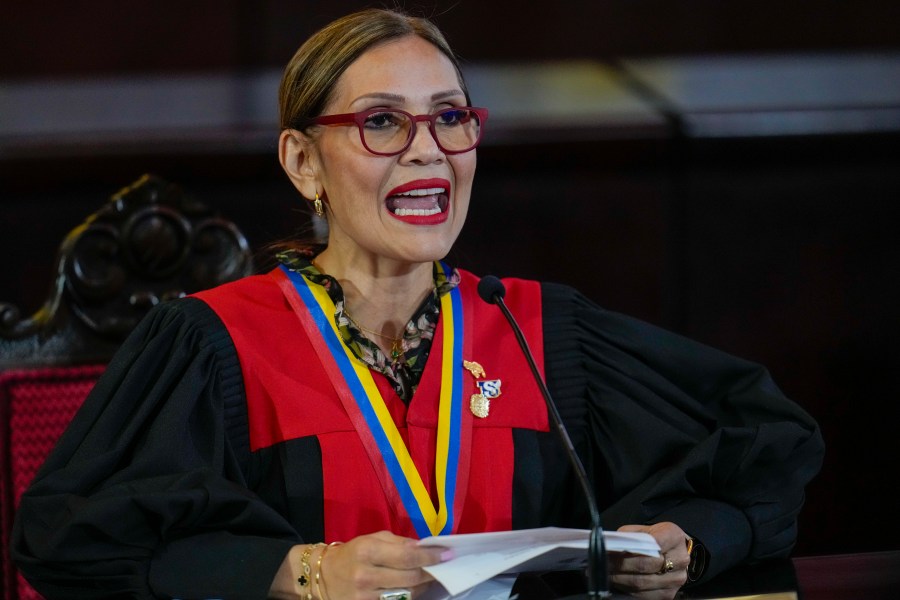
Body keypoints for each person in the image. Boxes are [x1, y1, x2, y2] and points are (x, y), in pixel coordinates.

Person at [11, 8, 824, 600]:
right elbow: (64, 543)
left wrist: (689, 544)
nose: (429, 149)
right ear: (302, 161)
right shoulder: (215, 343)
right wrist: (301, 572)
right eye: (382, 124)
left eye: (449, 117)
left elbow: (766, 449)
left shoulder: (540, 329)